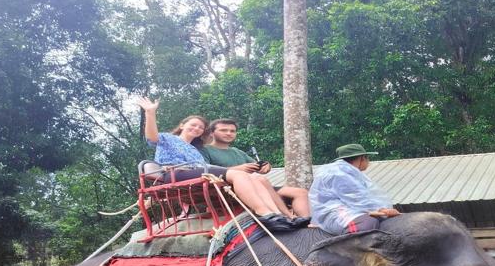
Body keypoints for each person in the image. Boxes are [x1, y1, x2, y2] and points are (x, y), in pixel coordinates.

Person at [137, 97, 286, 221]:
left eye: (200, 127)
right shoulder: (168, 138)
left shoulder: (194, 149)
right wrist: (150, 113)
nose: (197, 128)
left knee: (255, 178)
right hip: (176, 173)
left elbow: (204, 167)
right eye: (193, 125)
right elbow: (152, 136)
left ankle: (276, 213)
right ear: (182, 125)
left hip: (198, 173)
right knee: (238, 174)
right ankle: (264, 213)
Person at [201, 119, 311, 218]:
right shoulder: (205, 150)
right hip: (228, 190)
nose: (229, 133)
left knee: (300, 192)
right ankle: (285, 216)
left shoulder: (237, 151)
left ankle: (306, 223)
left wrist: (265, 166)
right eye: (223, 130)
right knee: (259, 180)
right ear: (212, 133)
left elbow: (257, 166)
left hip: (258, 186)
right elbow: (204, 171)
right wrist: (238, 169)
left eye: (232, 131)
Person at [308, 143, 400, 234]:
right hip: (335, 212)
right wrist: (382, 209)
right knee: (367, 223)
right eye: (367, 158)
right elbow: (356, 197)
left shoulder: (345, 171)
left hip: (344, 209)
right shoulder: (339, 173)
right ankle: (349, 242)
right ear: (362, 158)